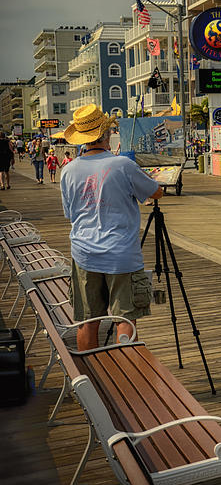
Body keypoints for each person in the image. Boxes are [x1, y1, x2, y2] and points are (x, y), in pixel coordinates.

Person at [60, 104, 163, 352]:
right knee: (125, 318)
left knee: (88, 320)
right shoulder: (122, 165)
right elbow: (155, 192)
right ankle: (125, 373)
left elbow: (69, 214)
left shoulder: (68, 170)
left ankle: (92, 377)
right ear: (106, 136)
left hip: (84, 254)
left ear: (83, 139)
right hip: (121, 255)